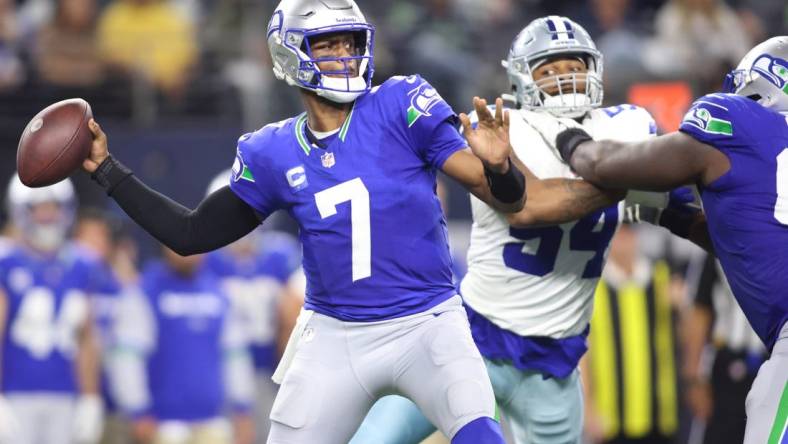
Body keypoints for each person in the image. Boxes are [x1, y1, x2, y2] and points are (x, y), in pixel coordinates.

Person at [82, 0, 530, 441]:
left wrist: (500, 167)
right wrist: (108, 171)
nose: (344, 55)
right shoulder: (272, 150)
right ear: (289, 54)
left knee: (480, 435)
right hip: (336, 335)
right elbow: (190, 234)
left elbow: (506, 198)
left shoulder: (400, 103)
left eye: (349, 42)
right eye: (327, 45)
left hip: (427, 321)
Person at [352, 16, 674, 444]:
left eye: (573, 64)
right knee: (372, 440)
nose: (565, 76)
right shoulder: (503, 130)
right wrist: (632, 181)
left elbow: (681, 201)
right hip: (472, 342)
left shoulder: (627, 126)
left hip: (553, 362)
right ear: (522, 78)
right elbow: (529, 206)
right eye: (549, 69)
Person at [544, 35, 788, 444]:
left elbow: (612, 166)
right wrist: (671, 214)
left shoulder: (738, 121)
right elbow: (744, 242)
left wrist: (574, 143)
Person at [109, 246, 255, 444]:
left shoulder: (220, 293)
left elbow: (234, 355)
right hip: (162, 424)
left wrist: (242, 408)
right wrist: (137, 410)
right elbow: (127, 357)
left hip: (213, 421)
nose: (189, 249)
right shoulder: (145, 292)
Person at [0, 176, 104, 444]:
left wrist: (90, 396)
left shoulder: (82, 264)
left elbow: (86, 337)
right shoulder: (7, 262)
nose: (47, 215)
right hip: (16, 394)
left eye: (53, 207)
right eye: (39, 208)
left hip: (66, 393)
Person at [582, 224, 680, 444]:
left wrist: (681, 309)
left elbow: (682, 338)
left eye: (628, 233)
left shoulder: (661, 278)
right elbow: (584, 353)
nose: (623, 240)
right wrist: (589, 408)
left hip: (659, 415)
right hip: (611, 419)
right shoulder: (593, 287)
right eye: (618, 233)